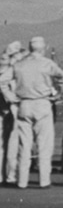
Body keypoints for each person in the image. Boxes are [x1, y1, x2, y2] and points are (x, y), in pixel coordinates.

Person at [13, 36, 63, 190]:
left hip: (24, 104)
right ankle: (44, 180)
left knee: (24, 146)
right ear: (43, 48)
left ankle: (22, 181)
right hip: (43, 103)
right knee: (44, 145)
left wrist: (13, 95)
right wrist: (58, 94)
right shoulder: (47, 63)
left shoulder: (19, 65)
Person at [1, 40, 21, 185]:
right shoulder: (14, 73)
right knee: (12, 145)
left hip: (4, 110)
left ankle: (5, 175)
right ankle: (11, 175)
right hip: (12, 108)